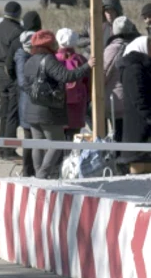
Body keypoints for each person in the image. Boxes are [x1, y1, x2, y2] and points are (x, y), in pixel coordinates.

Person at [23, 30, 95, 179]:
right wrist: (87, 66)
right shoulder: (48, 60)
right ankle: (43, 174)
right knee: (58, 142)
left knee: (38, 143)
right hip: (48, 110)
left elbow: (24, 83)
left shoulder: (30, 60)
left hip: (31, 108)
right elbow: (67, 76)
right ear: (49, 45)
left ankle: (38, 174)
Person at [118, 36, 151, 169]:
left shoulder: (146, 67)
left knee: (150, 166)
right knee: (138, 166)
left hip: (148, 126)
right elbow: (139, 98)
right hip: (140, 127)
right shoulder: (134, 69)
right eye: (149, 47)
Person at [0, 1, 24, 161]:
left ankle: (1, 148)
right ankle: (9, 149)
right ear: (18, 14)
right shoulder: (17, 31)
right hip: (11, 72)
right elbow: (16, 55)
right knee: (12, 113)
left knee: (4, 112)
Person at [103, 16, 140, 141]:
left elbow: (103, 74)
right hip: (131, 97)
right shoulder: (136, 46)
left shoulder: (113, 48)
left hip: (116, 99)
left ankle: (119, 159)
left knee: (118, 134)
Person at [55, 28, 90, 140]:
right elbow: (88, 83)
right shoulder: (81, 60)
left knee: (57, 140)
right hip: (77, 105)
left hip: (57, 104)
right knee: (74, 138)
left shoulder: (52, 59)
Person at [14, 30, 36, 176]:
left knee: (35, 139)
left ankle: (31, 170)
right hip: (28, 104)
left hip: (30, 103)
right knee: (29, 139)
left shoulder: (27, 56)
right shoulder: (23, 57)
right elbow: (23, 82)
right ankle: (27, 171)